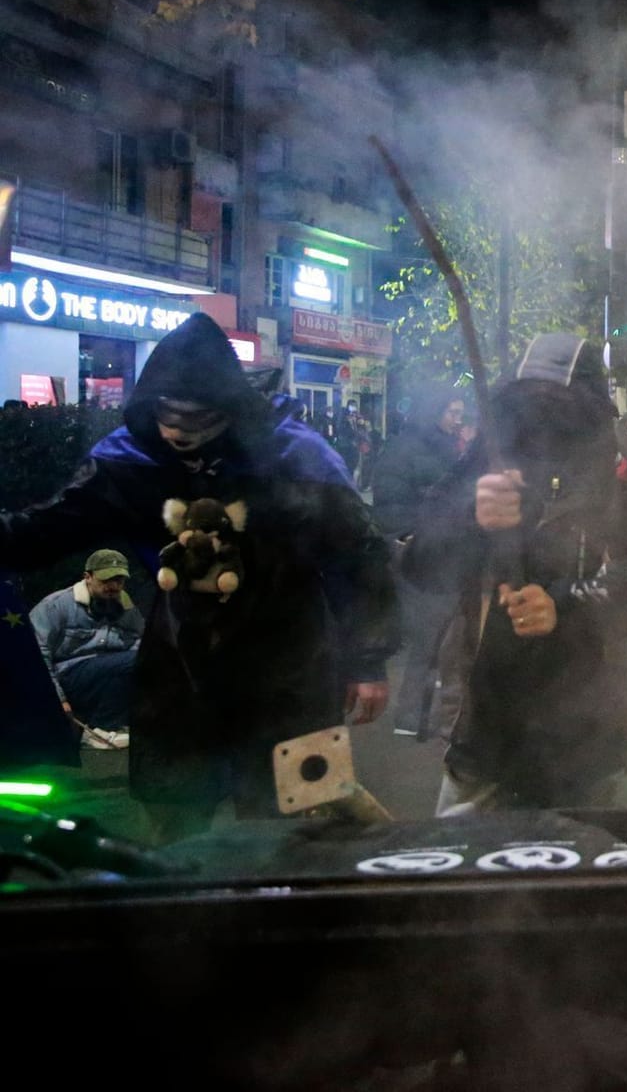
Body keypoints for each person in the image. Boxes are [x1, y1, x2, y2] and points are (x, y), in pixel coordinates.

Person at [0, 313, 394, 839]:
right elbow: (46, 529)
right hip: (182, 667)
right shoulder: (131, 463)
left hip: (292, 664)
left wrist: (367, 659)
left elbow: (359, 554)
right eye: (169, 415)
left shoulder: (292, 457)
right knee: (175, 822)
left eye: (199, 417)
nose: (180, 432)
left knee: (303, 826)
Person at [405, 334, 627, 814]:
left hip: (594, 737)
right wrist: (470, 518)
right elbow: (421, 565)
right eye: (529, 410)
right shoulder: (475, 481)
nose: (544, 429)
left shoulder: (621, 499)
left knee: (610, 873)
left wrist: (564, 608)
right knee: (464, 878)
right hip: (484, 733)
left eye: (562, 414)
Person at [371, 386, 467, 736]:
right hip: (416, 558)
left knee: (441, 638)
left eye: (460, 414)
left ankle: (424, 718)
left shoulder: (439, 448)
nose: (457, 421)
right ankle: (413, 719)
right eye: (452, 413)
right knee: (429, 638)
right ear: (434, 412)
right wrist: (406, 538)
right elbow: (392, 503)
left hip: (439, 555)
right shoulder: (407, 450)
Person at [29, 548, 143, 747]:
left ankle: (121, 722)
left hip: (104, 674)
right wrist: (59, 700)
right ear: (87, 577)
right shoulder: (56, 605)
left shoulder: (126, 606)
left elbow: (139, 640)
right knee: (134, 660)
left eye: (119, 580)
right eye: (106, 580)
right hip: (68, 677)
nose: (114, 586)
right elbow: (37, 656)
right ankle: (102, 727)